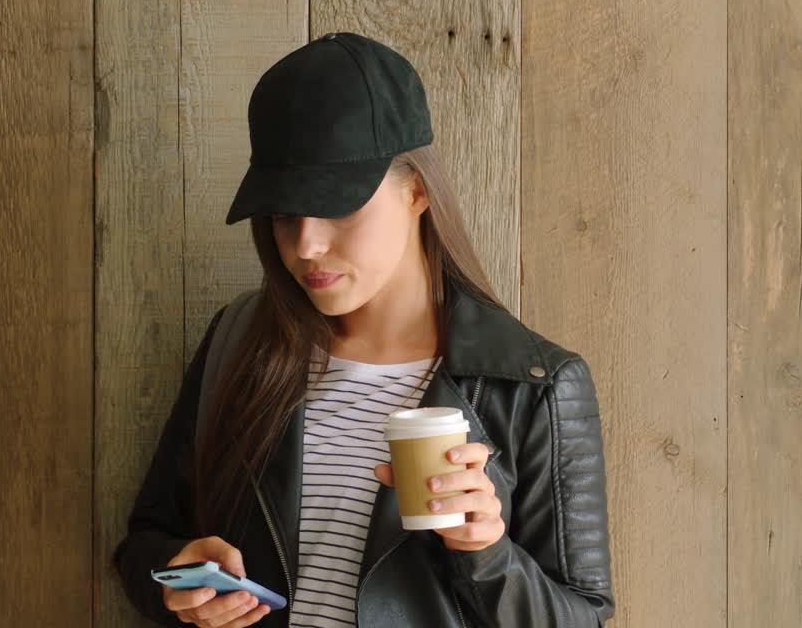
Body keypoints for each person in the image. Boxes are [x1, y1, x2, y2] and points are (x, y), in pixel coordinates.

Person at [112, 31, 616, 628]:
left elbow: (583, 618)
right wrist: (178, 580)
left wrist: (485, 554)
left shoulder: (532, 383)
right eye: (283, 214)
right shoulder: (240, 341)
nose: (306, 245)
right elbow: (146, 541)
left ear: (418, 192)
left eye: (338, 208)